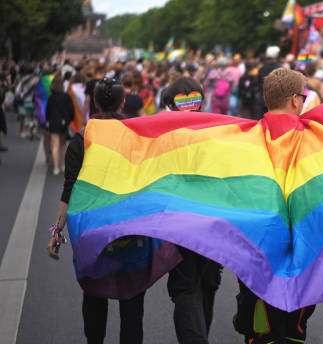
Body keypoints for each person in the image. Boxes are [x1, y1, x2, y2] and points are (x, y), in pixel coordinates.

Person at [47, 78, 146, 344]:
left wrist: (56, 234)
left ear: (94, 102)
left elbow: (69, 190)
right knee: (132, 302)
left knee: (94, 297)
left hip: (92, 231)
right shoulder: (138, 136)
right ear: (124, 102)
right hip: (131, 229)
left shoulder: (81, 140)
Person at [233, 68, 315, 344]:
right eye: (303, 97)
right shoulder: (312, 139)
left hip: (257, 248)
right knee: (293, 328)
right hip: (299, 248)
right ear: (294, 100)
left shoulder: (246, 139)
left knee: (260, 327)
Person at [160, 77, 224, 343]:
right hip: (213, 220)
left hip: (178, 221)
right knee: (208, 284)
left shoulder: (163, 135)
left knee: (186, 287)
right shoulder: (218, 131)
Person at [44, 76, 74, 175]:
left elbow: (47, 112)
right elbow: (71, 110)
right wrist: (69, 120)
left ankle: (55, 168)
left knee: (55, 145)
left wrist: (47, 121)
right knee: (63, 145)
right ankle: (63, 165)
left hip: (53, 122)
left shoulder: (51, 97)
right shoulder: (66, 96)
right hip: (64, 122)